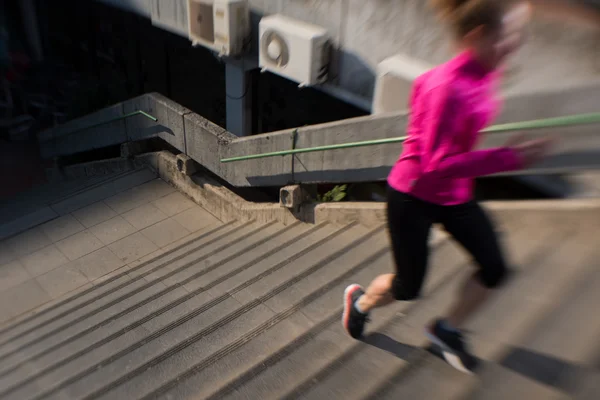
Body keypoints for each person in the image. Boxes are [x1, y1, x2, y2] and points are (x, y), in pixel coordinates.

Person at [342, 0, 553, 374]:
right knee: (408, 286)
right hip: (413, 196)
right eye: (507, 38)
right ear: (478, 37)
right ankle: (359, 303)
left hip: (455, 195)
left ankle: (446, 330)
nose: (514, 46)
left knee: (495, 268)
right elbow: (437, 164)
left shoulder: (485, 72)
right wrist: (509, 158)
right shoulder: (446, 86)